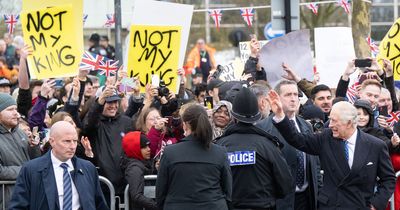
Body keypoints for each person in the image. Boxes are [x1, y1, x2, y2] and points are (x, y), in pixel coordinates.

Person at [268, 90, 396, 210]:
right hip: (331, 206)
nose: (330, 125)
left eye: (334, 121)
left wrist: (376, 204)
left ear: (349, 123)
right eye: (330, 120)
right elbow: (297, 139)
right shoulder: (326, 138)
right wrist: (280, 116)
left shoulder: (375, 145)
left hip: (360, 205)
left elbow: (389, 179)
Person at [217, 87, 293, 210]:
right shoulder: (268, 145)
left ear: (234, 116)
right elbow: (285, 184)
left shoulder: (220, 145)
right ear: (257, 116)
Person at [9, 121, 109, 210]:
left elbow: (99, 204)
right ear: (52, 141)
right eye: (67, 141)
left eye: (75, 141)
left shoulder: (88, 168)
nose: (72, 146)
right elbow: (18, 205)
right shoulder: (31, 169)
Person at [257, 80, 320, 210]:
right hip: (280, 200)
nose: (293, 99)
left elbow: (315, 163)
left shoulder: (306, 126)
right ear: (276, 98)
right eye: (288, 95)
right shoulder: (263, 128)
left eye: (296, 94)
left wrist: (318, 190)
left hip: (307, 198)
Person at [156, 104, 232, 210]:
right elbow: (227, 190)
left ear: (185, 124)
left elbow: (160, 191)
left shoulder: (170, 153)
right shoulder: (220, 152)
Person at [0, 93, 41, 208]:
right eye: (10, 109)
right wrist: (26, 171)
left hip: (26, 197)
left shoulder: (20, 132)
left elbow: (34, 162)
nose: (16, 114)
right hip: (7, 200)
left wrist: (34, 148)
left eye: (16, 109)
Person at [121, 131, 158, 210]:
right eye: (144, 147)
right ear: (134, 148)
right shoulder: (134, 168)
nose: (149, 149)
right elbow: (136, 195)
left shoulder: (143, 163)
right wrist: (158, 206)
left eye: (148, 146)